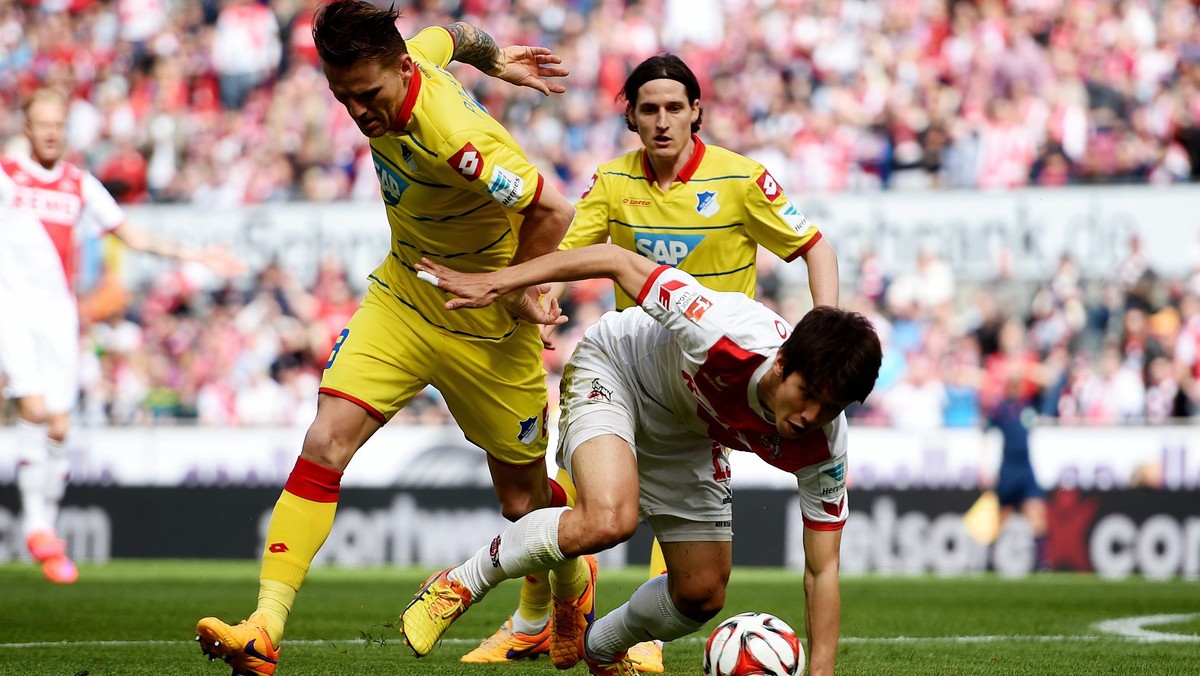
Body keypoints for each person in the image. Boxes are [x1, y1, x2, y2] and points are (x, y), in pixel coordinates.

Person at [193, 3, 579, 675]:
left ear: (400, 70)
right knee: (324, 440)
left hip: (485, 322)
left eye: (368, 96)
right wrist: (493, 57)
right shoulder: (409, 57)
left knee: (524, 502)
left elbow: (552, 209)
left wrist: (517, 288)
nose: (359, 113)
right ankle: (264, 626)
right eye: (344, 99)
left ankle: (571, 596)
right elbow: (451, 36)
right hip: (403, 296)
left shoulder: (455, 137)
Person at [469, 53, 841, 672]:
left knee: (681, 554)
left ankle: (607, 630)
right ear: (632, 119)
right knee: (573, 509)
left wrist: (822, 333)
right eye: (649, 110)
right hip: (632, 370)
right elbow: (574, 252)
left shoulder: (742, 180)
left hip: (709, 384)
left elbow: (814, 246)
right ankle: (539, 614)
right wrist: (542, 299)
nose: (664, 121)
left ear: (697, 112)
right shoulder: (613, 182)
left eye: (675, 108)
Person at [403, 243, 882, 676]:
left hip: (689, 433)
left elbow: (822, 570)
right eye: (808, 395)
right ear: (781, 363)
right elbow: (615, 260)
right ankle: (459, 583)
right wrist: (502, 280)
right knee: (609, 519)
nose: (811, 416)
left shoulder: (824, 445)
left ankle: (603, 646)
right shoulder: (720, 329)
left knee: (702, 593)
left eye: (831, 407)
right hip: (619, 370)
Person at [0, 87, 243, 585]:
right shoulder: (7, 176)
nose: (50, 131)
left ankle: (46, 525)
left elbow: (133, 236)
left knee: (61, 428)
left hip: (58, 315)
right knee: (34, 410)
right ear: (27, 129)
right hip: (12, 311)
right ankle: (38, 527)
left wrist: (194, 256)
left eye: (57, 123)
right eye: (41, 123)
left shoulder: (78, 184)